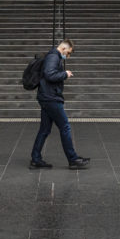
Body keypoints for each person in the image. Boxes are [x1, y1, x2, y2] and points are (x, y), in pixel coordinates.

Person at [30, 39, 90, 170]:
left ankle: (36, 159)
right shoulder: (53, 57)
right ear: (63, 48)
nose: (67, 56)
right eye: (67, 53)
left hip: (47, 97)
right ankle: (73, 159)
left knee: (44, 130)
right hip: (51, 98)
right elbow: (49, 74)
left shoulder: (52, 56)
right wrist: (65, 74)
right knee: (65, 127)